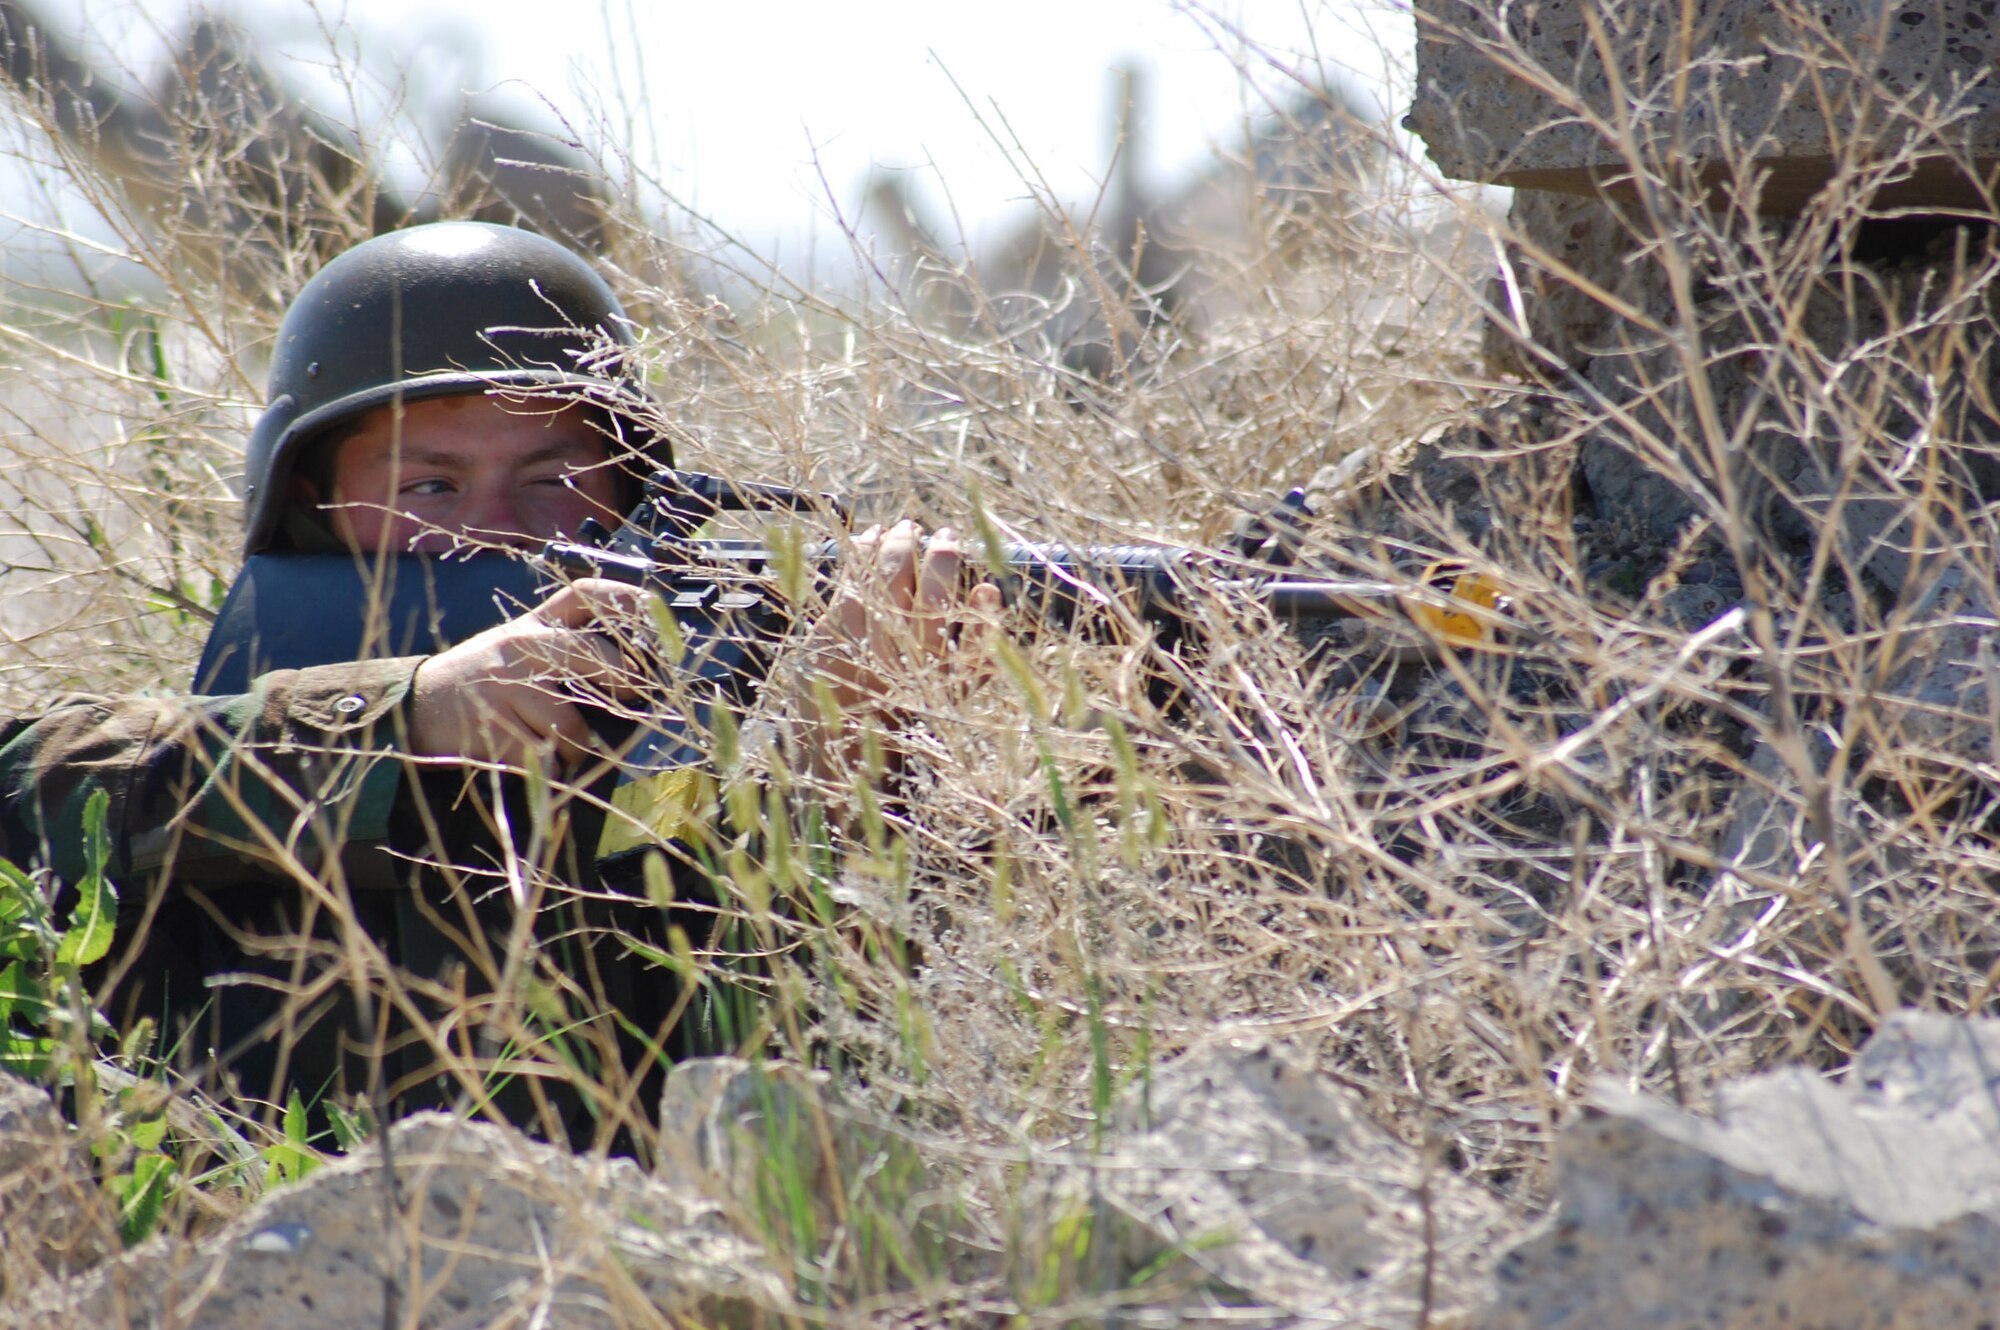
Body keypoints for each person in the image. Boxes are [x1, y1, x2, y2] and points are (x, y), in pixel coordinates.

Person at [0, 221, 995, 1149]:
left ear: (631, 489)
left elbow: (781, 1052)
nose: (498, 528)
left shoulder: (690, 736)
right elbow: (28, 790)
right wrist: (405, 712)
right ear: (309, 503)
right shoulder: (211, 746)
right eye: (428, 486)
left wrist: (844, 759)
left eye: (553, 476)